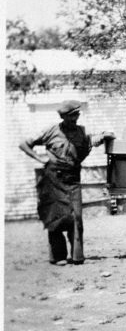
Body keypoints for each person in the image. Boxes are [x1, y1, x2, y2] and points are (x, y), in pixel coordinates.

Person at [19, 100, 114, 265]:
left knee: (76, 216)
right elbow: (24, 144)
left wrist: (106, 135)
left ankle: (77, 256)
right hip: (52, 179)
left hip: (73, 178)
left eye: (76, 115)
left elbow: (91, 141)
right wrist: (38, 157)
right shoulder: (50, 130)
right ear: (63, 117)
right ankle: (58, 256)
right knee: (55, 217)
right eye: (71, 116)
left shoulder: (81, 132)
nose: (74, 119)